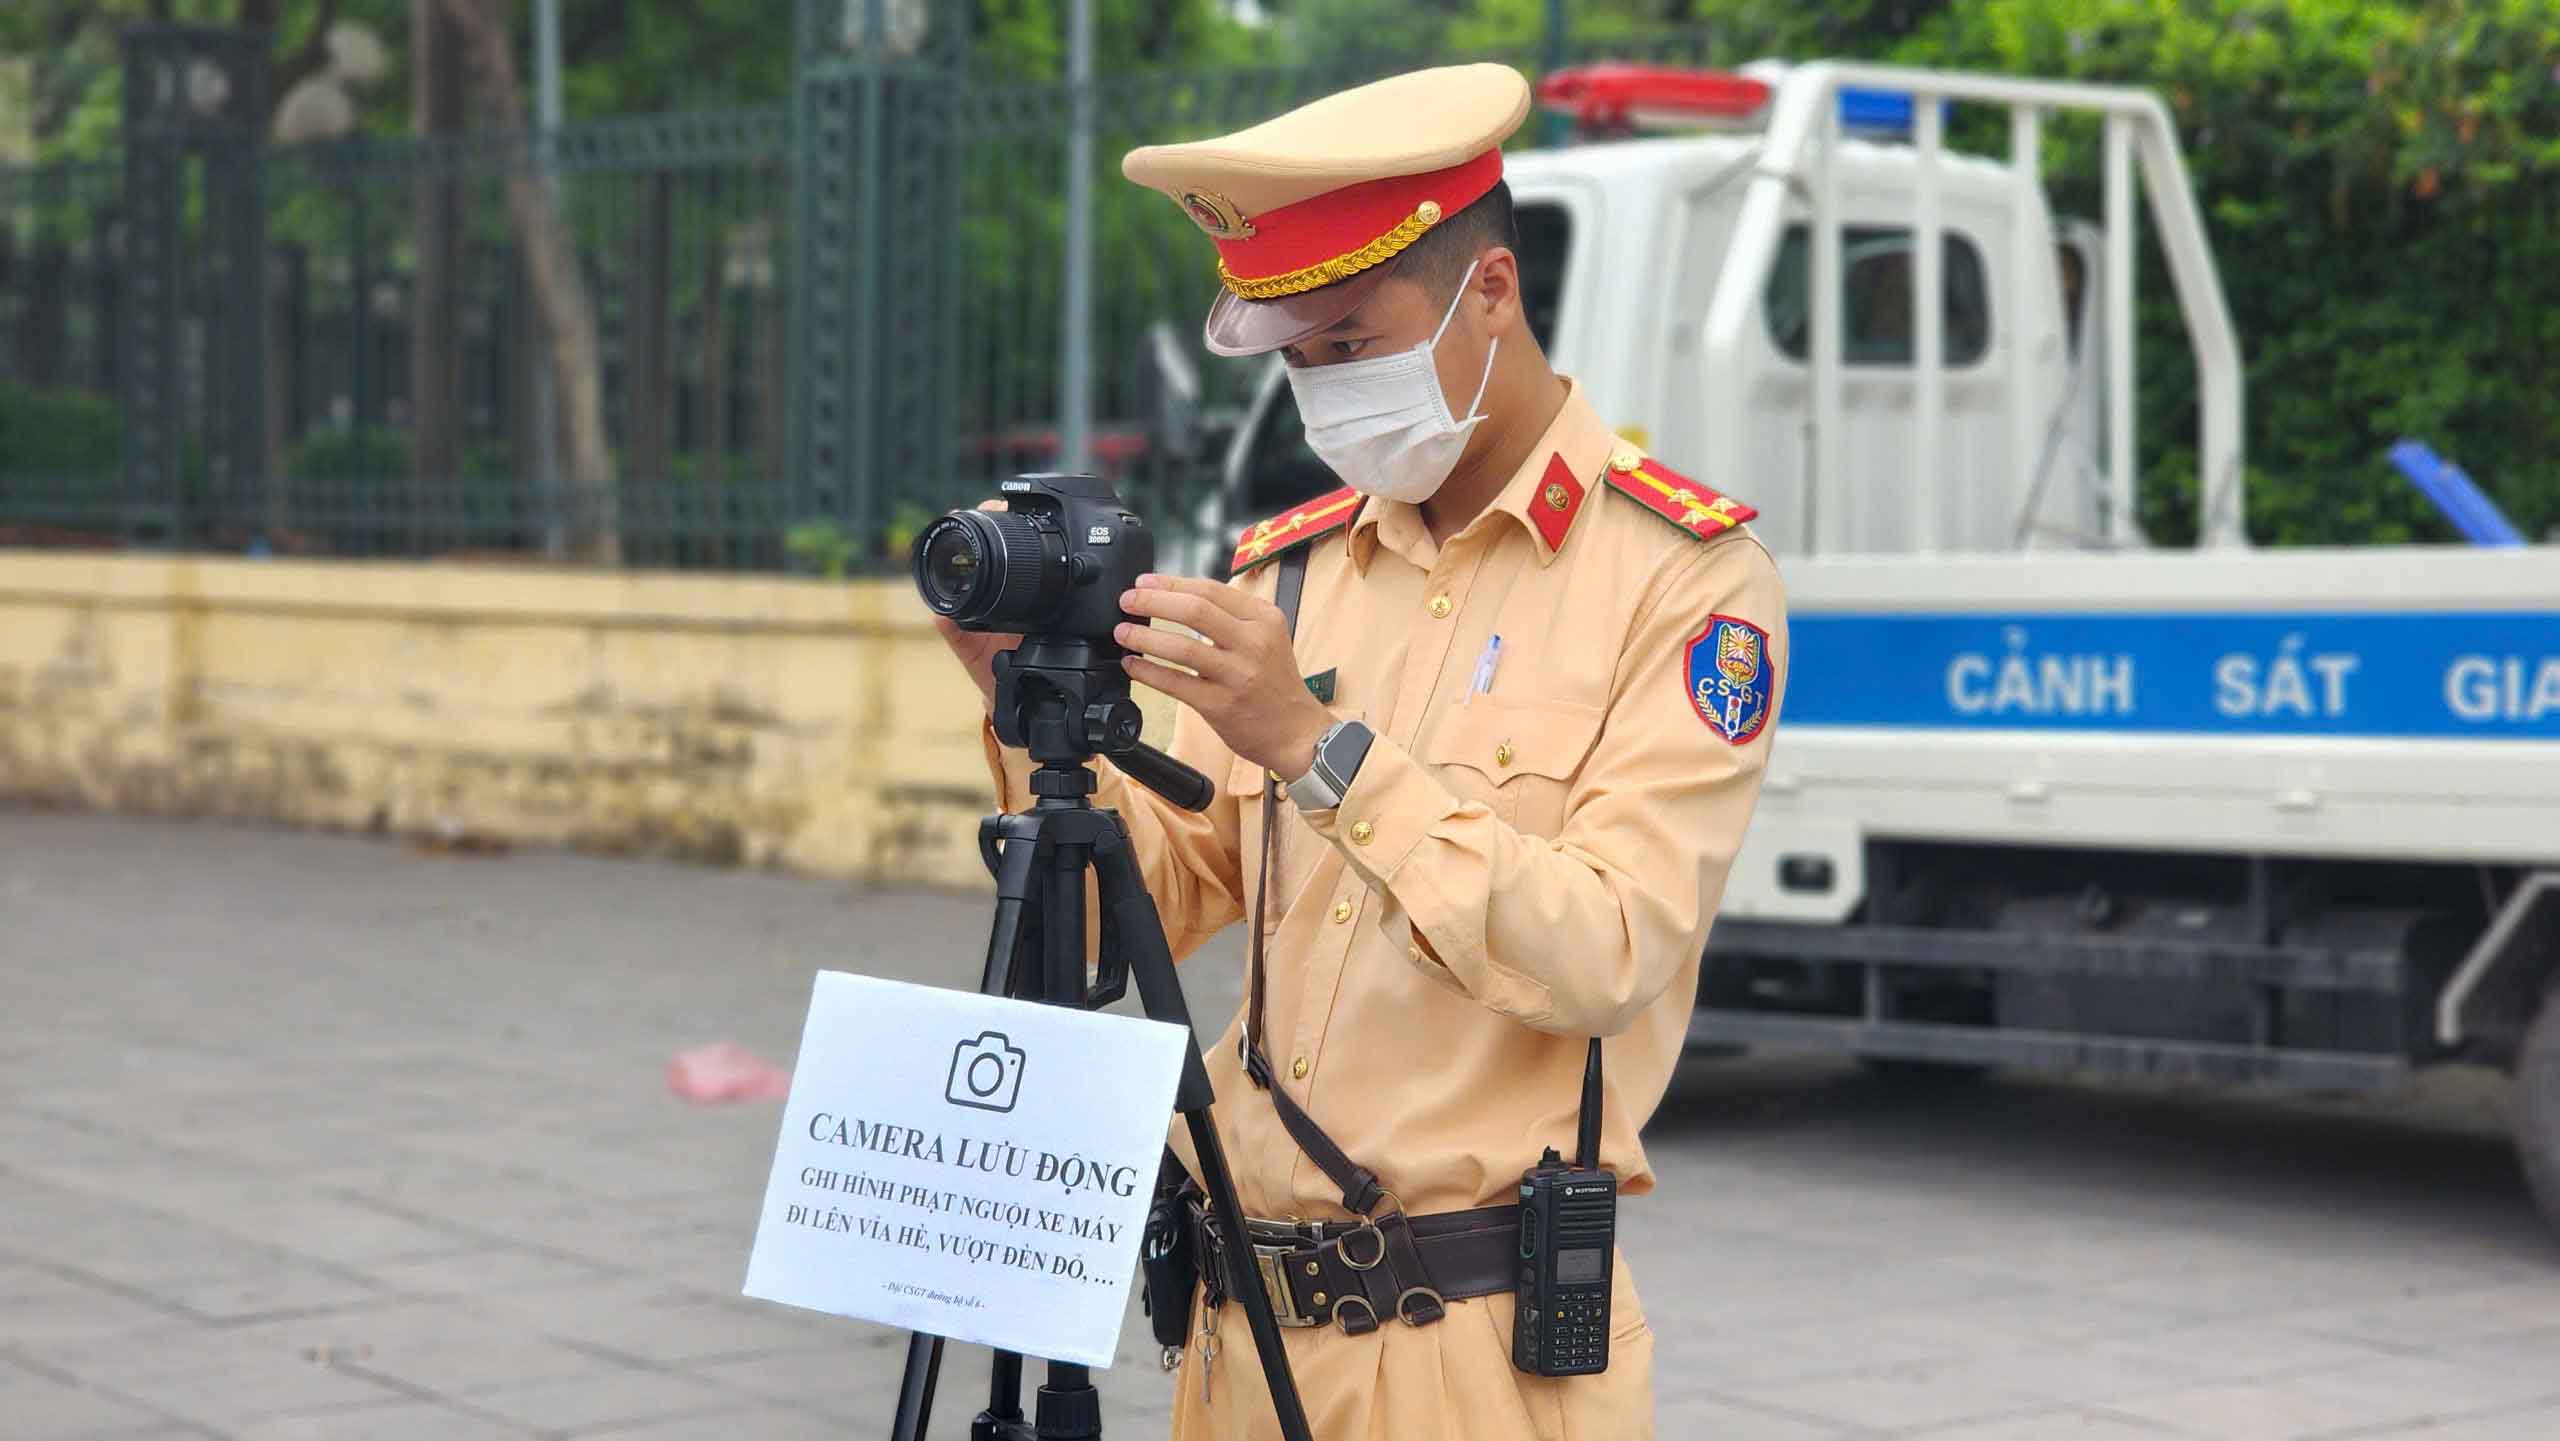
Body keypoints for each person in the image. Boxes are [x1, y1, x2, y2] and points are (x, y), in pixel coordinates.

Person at [937, 62, 1787, 1441]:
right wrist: (1022, 713)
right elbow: (1129, 917)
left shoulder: (1685, 582)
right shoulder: (1297, 572)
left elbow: (1610, 948)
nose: (1322, 387)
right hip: (1230, 1336)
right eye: (1298, 357)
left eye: (1351, 342)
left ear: (1490, 294)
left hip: (1476, 1357)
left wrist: (1320, 750)